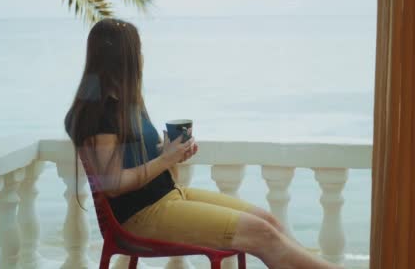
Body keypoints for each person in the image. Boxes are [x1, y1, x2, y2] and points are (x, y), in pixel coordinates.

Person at [64, 18, 343, 269]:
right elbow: (112, 184)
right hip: (141, 217)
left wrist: (170, 153)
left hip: (169, 196)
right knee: (262, 234)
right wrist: (166, 159)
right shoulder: (101, 114)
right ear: (124, 58)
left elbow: (142, 163)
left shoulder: (128, 103)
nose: (141, 56)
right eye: (137, 50)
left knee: (269, 223)